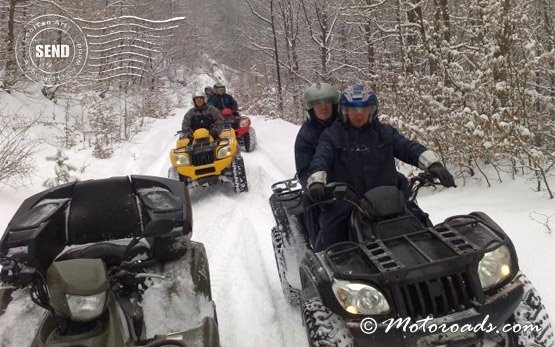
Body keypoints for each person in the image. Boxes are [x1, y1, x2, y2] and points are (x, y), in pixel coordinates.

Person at [306, 84, 455, 251]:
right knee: (331, 237)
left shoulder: (385, 132)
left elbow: (408, 147)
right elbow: (321, 158)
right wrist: (317, 181)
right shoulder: (332, 135)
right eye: (352, 110)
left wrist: (433, 164)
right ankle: (320, 268)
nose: (358, 114)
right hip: (348, 202)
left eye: (364, 109)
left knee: (423, 226)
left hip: (388, 201)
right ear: (344, 111)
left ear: (372, 111)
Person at [295, 82, 340, 190]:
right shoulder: (306, 135)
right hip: (324, 190)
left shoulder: (345, 126)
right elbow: (304, 170)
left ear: (333, 105)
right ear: (311, 109)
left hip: (353, 187)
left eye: (327, 102)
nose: (323, 107)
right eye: (317, 103)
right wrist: (314, 188)